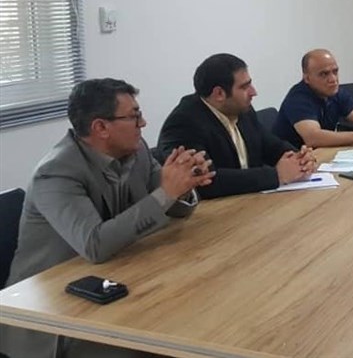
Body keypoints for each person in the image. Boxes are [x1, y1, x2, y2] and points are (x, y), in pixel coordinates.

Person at [1, 78, 212, 358]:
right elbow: (95, 244)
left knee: (199, 309)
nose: (143, 123)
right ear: (100, 127)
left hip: (116, 280)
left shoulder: (136, 151)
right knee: (166, 342)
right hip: (52, 315)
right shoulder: (55, 173)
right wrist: (166, 193)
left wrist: (183, 185)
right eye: (134, 117)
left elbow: (164, 205)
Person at [158, 53, 316, 199]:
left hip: (252, 202)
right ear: (219, 94)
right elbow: (205, 181)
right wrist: (276, 176)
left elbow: (271, 145)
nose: (253, 92)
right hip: (217, 213)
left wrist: (300, 158)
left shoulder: (242, 110)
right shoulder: (183, 123)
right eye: (244, 87)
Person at [273, 49, 353, 148]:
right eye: (324, 74)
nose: (333, 79)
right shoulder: (297, 99)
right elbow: (313, 138)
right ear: (307, 78)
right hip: (294, 159)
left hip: (322, 154)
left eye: (335, 71)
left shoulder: (335, 92)